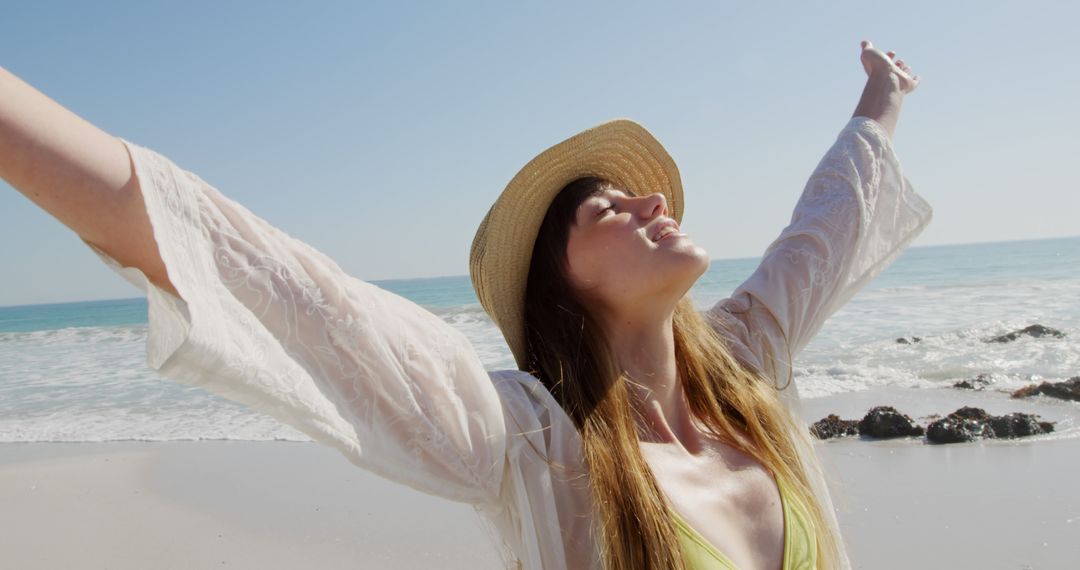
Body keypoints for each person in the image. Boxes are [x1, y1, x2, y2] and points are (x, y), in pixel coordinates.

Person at [1, 39, 930, 570]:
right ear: (557, 284)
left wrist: (877, 103)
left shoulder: (744, 374)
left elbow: (824, 234)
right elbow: (277, 288)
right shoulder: (532, 441)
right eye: (607, 207)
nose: (656, 203)